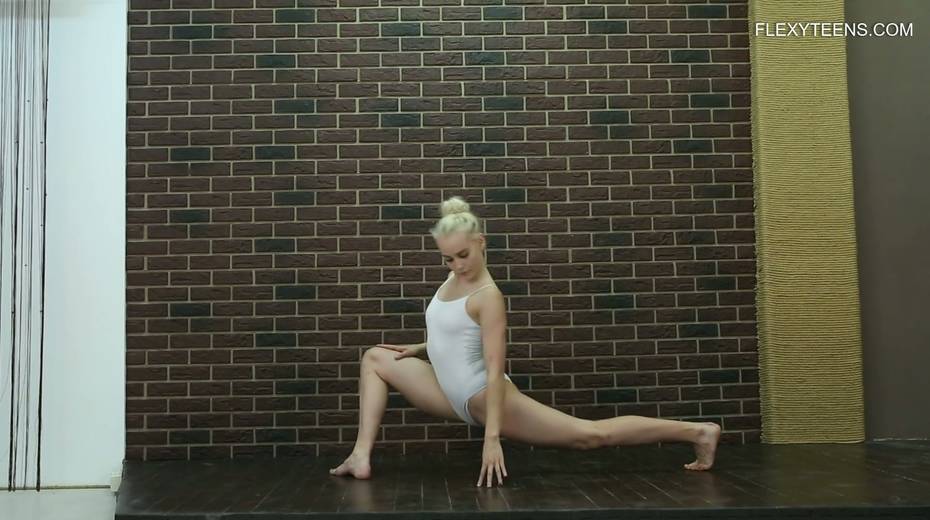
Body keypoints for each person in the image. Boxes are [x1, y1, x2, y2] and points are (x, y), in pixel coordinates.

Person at [330, 196, 721, 487]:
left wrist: (492, 439)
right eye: (448, 259)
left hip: (485, 395)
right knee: (375, 358)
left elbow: (494, 367)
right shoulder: (455, 277)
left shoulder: (488, 296)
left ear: (481, 242)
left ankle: (696, 432)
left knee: (588, 435)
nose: (457, 265)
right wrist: (421, 348)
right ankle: (360, 457)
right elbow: (453, 329)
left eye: (463, 255)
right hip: (448, 391)